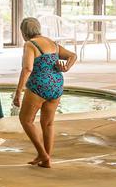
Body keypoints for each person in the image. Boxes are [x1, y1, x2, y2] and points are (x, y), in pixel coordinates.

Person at [17, 16, 75, 168]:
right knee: (48, 124)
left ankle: (42, 153)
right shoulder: (52, 43)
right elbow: (72, 56)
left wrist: (18, 92)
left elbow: (27, 68)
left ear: (23, 32)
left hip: (39, 85)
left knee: (26, 120)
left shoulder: (31, 45)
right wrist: (67, 67)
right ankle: (46, 160)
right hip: (56, 85)